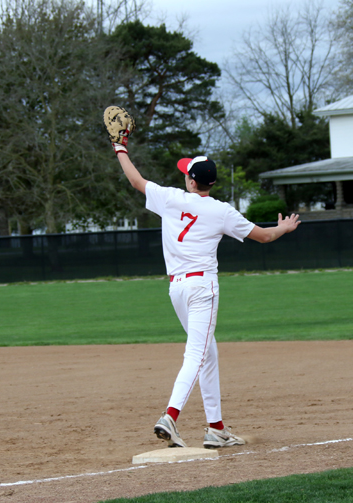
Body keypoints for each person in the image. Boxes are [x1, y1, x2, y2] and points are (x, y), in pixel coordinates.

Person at [109, 127, 301, 448]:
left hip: (177, 291)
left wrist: (120, 148)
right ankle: (170, 416)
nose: (184, 176)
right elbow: (264, 236)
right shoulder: (221, 210)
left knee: (207, 354)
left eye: (187, 173)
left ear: (192, 181)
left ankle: (216, 429)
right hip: (202, 289)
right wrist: (281, 228)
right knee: (197, 354)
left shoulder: (170, 199)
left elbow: (135, 180)